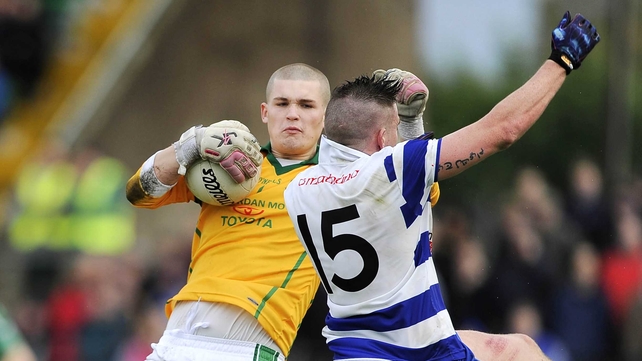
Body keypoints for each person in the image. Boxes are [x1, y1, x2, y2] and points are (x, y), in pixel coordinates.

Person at [283, 11, 600, 361]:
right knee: (521, 352)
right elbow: (502, 131)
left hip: (362, 347)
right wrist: (561, 61)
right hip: (412, 350)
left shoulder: (299, 188)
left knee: (515, 348)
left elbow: (399, 194)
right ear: (382, 137)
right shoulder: (390, 169)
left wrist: (406, 123)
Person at [125, 63, 331, 360]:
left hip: (247, 344)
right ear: (265, 112)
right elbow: (139, 193)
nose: (293, 113)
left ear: (324, 116)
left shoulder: (339, 178)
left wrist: (409, 123)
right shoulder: (225, 160)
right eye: (282, 103)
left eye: (306, 105)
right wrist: (191, 144)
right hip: (176, 336)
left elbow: (423, 190)